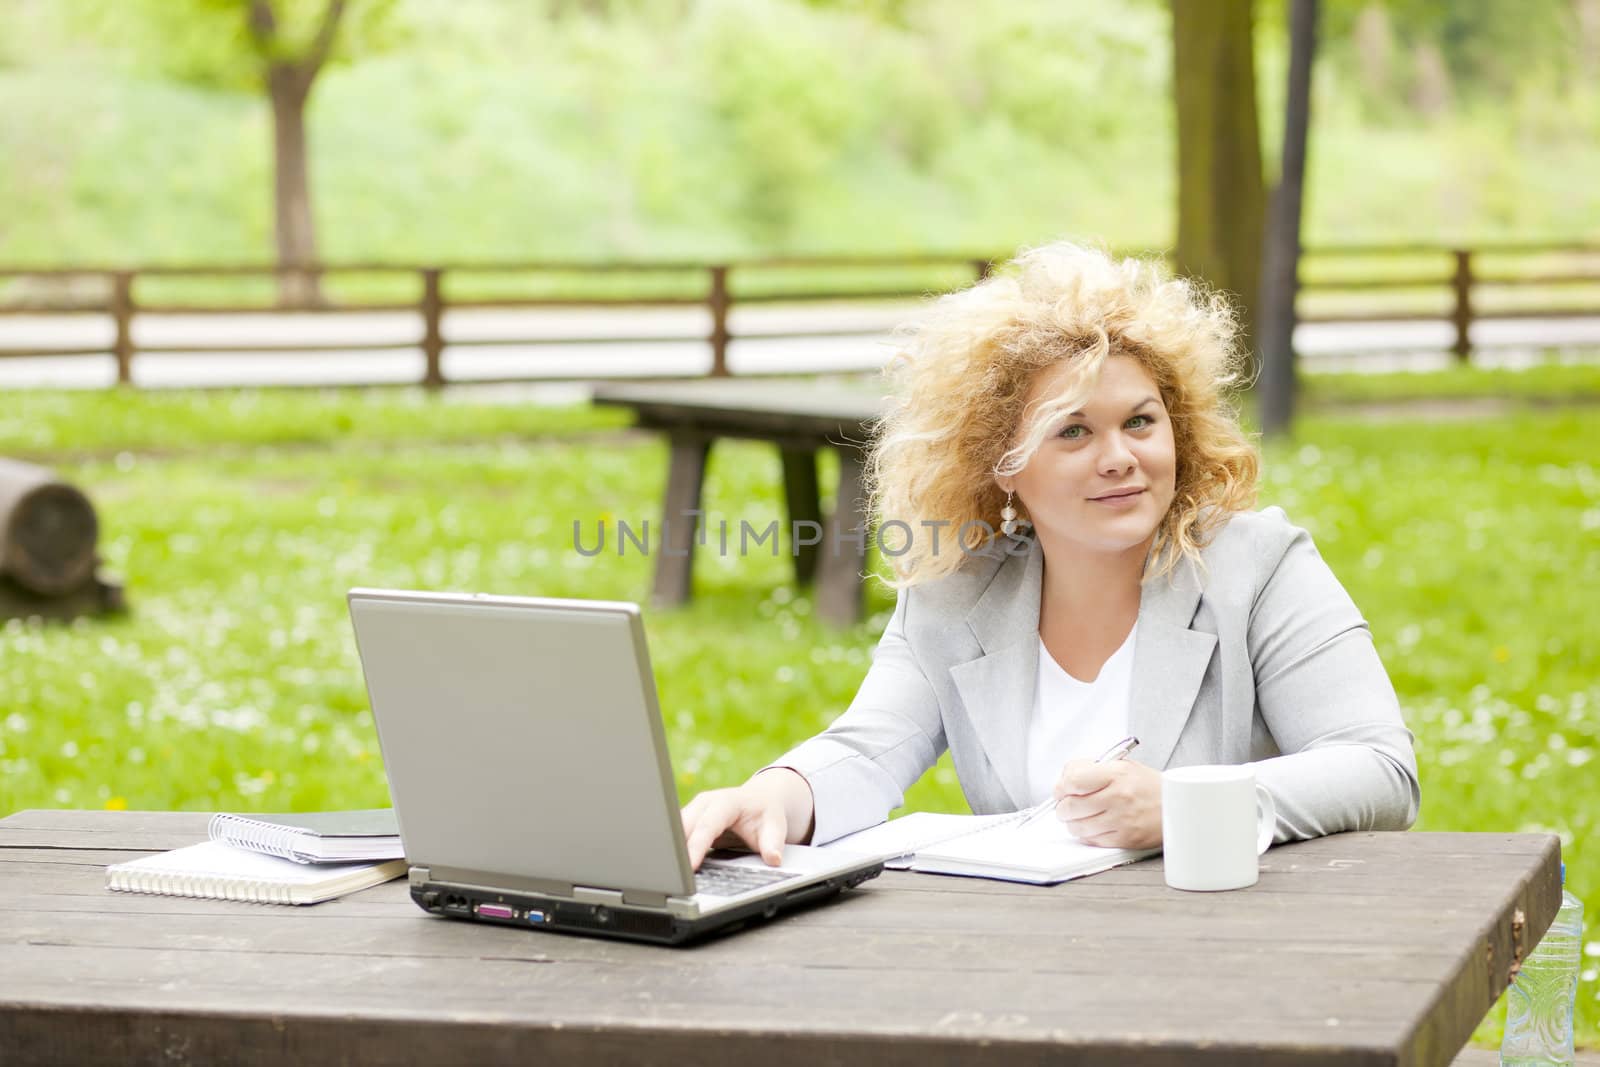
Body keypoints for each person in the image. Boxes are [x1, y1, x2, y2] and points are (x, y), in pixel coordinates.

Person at [679, 241, 1421, 869]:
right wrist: (770, 795)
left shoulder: (1260, 567)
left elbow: (1381, 769)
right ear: (1002, 463)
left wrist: (1183, 806)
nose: (1119, 457)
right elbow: (870, 749)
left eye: (1140, 421)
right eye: (1073, 431)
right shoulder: (956, 589)